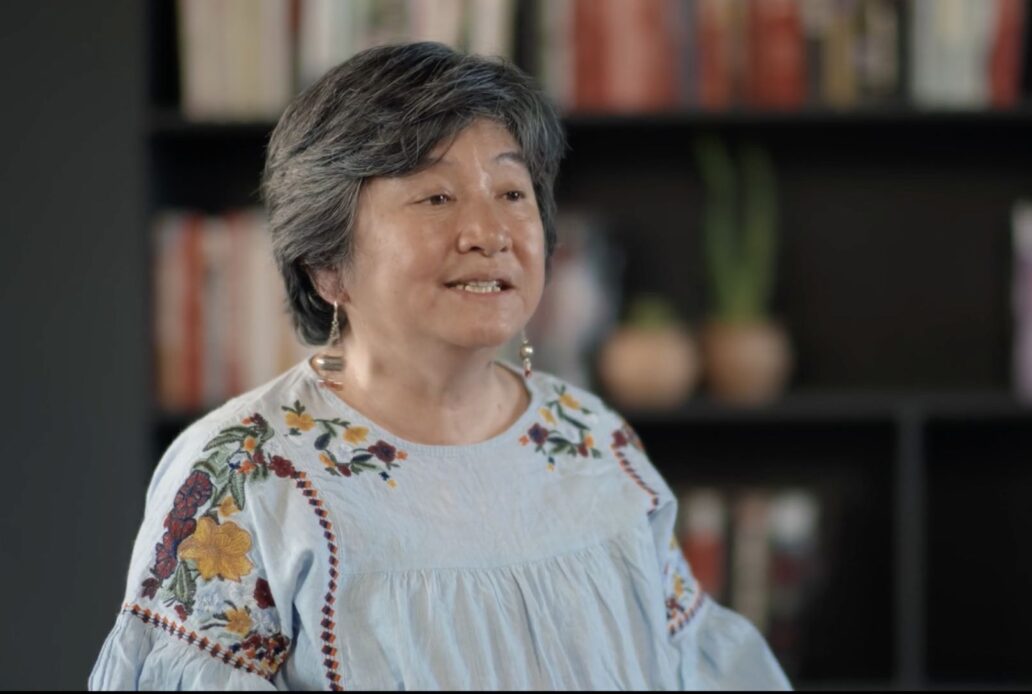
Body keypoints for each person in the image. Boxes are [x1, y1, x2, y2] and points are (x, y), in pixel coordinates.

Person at [89, 42, 792, 691]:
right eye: (436, 197)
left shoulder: (593, 441)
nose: (489, 234)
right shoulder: (243, 472)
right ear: (328, 264)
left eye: (512, 193)